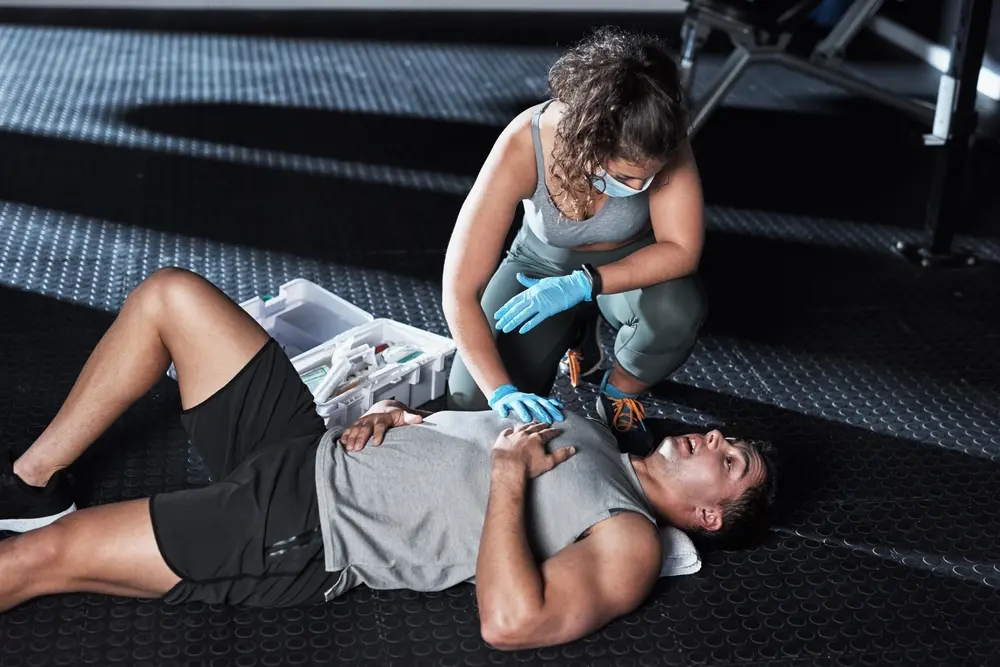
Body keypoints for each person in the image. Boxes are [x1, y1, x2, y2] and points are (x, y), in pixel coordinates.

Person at [0, 269, 776, 650]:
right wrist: (407, 415)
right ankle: (29, 482)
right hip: (310, 449)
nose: (712, 437)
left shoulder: (632, 538)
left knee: (38, 561)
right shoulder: (597, 434)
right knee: (169, 296)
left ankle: (37, 524)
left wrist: (509, 480)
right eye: (721, 434)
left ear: (708, 515)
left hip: (308, 528)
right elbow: (469, 446)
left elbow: (510, 621)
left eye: (730, 458)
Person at [443, 26, 707, 454]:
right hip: (539, 268)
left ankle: (619, 393)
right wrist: (499, 394)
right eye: (625, 176)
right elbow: (459, 291)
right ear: (587, 142)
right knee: (470, 410)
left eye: (650, 178)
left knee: (677, 310)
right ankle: (575, 334)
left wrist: (585, 283)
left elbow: (682, 250)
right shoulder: (524, 142)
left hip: (628, 267)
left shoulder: (659, 138)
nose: (640, 186)